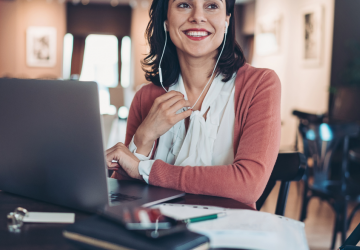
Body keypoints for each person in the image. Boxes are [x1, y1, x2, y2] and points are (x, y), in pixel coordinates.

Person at [105, 0, 281, 208]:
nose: (198, 16)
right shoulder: (145, 97)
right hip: (158, 231)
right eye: (184, 5)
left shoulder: (260, 85)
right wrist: (143, 138)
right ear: (166, 20)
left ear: (226, 20)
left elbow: (249, 185)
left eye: (212, 5)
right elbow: (125, 198)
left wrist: (147, 169)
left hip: (228, 233)